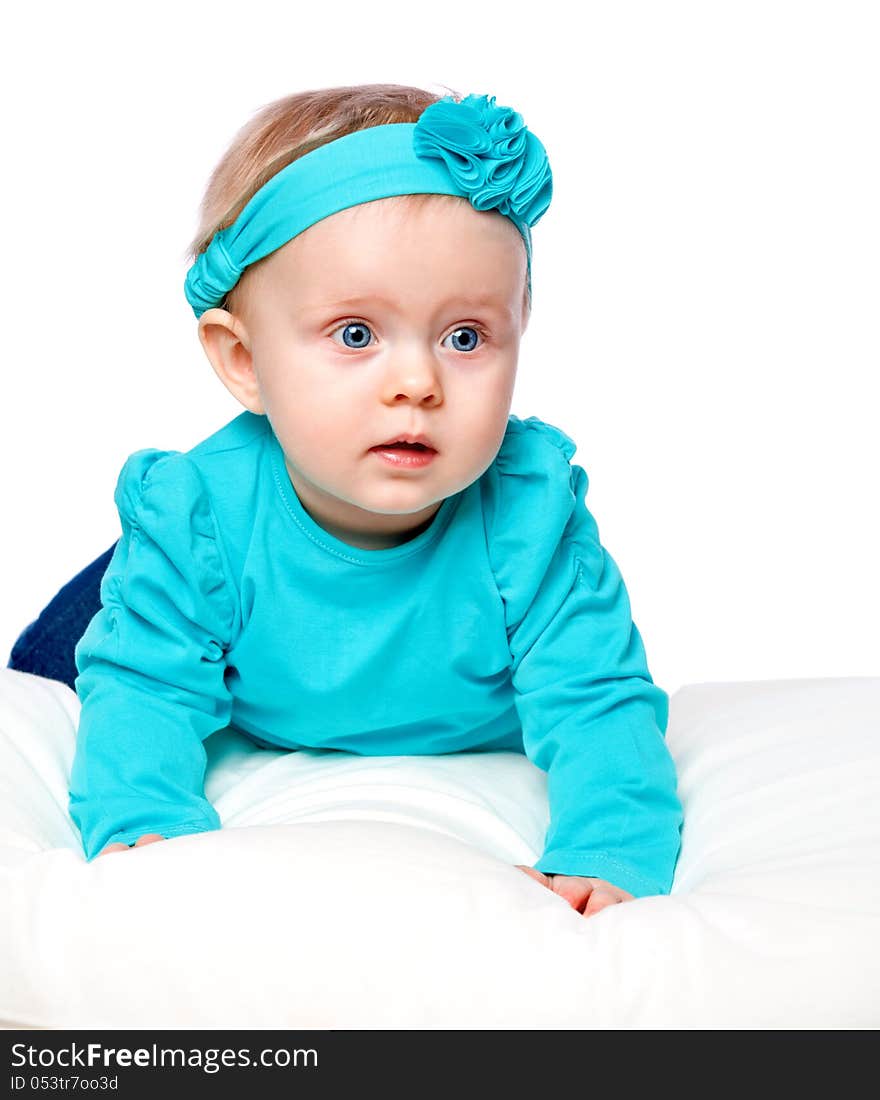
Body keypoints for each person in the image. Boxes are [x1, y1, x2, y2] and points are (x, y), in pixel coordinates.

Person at [10, 83, 683, 918]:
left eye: (465, 337)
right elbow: (148, 694)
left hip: (401, 652)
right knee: (77, 661)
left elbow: (597, 701)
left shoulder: (530, 515)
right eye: (355, 335)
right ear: (243, 361)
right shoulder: (195, 516)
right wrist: (146, 824)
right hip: (222, 578)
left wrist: (608, 847)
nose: (417, 384)